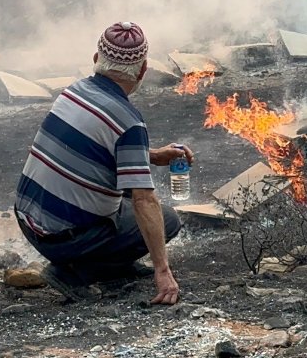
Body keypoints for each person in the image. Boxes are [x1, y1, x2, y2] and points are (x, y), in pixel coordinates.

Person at [13, 21, 193, 304]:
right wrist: (163, 271)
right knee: (167, 220)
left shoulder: (73, 91)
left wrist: (153, 155)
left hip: (28, 219)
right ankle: (76, 272)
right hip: (62, 239)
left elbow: (95, 149)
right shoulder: (128, 121)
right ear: (143, 70)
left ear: (96, 59)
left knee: (124, 200)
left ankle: (115, 265)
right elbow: (144, 201)